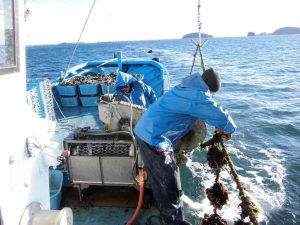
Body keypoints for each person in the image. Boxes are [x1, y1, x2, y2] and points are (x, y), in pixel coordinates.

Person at [133, 68, 237, 225]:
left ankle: (167, 211)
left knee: (161, 177)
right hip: (154, 138)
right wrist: (229, 129)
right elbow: (221, 116)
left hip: (145, 131)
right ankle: (174, 221)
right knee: (168, 183)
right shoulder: (197, 96)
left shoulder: (186, 87)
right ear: (209, 88)